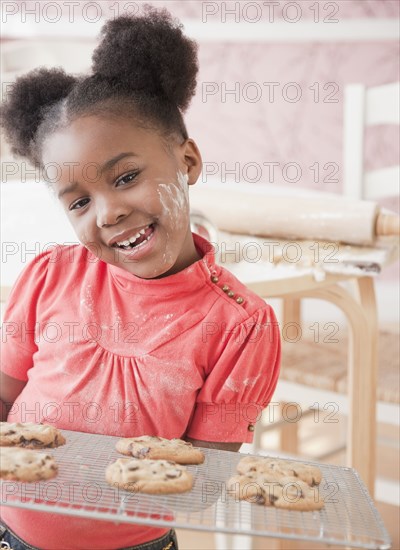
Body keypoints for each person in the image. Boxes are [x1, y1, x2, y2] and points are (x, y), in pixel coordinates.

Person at [0, 6, 281, 550]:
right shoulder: (49, 276)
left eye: (126, 177)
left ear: (188, 161)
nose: (106, 214)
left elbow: (199, 481)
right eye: (79, 201)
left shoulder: (240, 325)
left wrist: (93, 482)